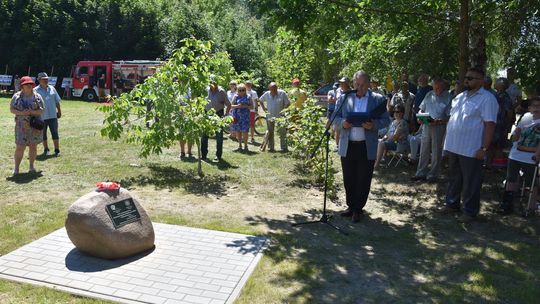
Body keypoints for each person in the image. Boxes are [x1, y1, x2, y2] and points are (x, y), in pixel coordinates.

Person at [439, 67, 498, 223]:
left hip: (471, 148)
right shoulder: (459, 97)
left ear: (481, 81)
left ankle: (470, 211)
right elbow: (452, 121)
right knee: (454, 178)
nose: (466, 80)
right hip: (454, 146)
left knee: (471, 182)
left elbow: (490, 125)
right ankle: (451, 204)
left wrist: (484, 148)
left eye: (471, 78)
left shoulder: (487, 99)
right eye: (466, 77)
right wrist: (446, 142)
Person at [334, 71, 390, 222]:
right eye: (356, 84)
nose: (359, 88)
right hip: (348, 145)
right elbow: (334, 118)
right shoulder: (345, 97)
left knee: (363, 179)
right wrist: (343, 123)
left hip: (366, 146)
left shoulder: (378, 99)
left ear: (368, 83)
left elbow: (386, 121)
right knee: (348, 177)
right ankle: (350, 206)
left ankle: (358, 209)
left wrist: (373, 125)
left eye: (362, 85)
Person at [498, 97, 540, 215]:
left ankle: (530, 207)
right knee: (511, 179)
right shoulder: (526, 116)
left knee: (531, 183)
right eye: (534, 106)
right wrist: (515, 135)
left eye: (539, 106)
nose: (537, 108)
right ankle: (507, 204)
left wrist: (537, 154)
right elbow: (517, 131)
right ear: (530, 108)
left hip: (531, 157)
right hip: (516, 154)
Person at [411, 78, 452, 182]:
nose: (436, 90)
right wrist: (419, 116)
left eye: (438, 88)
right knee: (424, 148)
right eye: (434, 88)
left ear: (443, 87)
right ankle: (421, 173)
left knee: (436, 151)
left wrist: (439, 121)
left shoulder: (448, 97)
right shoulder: (429, 94)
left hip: (439, 127)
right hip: (426, 124)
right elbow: (422, 108)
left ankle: (433, 175)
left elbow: (450, 116)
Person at [10, 76, 44, 175]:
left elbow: (42, 110)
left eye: (31, 84)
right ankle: (16, 169)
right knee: (20, 147)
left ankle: (31, 167)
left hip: (34, 126)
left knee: (33, 146)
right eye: (26, 84)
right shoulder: (16, 97)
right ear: (22, 86)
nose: (29, 86)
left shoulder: (37, 97)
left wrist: (32, 112)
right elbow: (12, 109)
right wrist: (22, 113)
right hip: (21, 127)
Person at [201, 79, 231, 161]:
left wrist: (226, 115)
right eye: (210, 84)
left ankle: (218, 156)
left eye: (214, 84)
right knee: (204, 135)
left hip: (218, 114)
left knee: (219, 136)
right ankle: (203, 155)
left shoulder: (222, 92)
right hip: (207, 114)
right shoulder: (206, 90)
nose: (212, 85)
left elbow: (228, 104)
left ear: (217, 84)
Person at [34, 72, 62, 157]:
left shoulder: (52, 88)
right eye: (44, 79)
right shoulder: (35, 91)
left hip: (53, 115)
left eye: (47, 79)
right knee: (43, 134)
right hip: (42, 117)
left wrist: (59, 111)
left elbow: (57, 101)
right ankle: (46, 149)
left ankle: (57, 150)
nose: (46, 80)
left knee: (55, 133)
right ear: (39, 80)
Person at [374, 104, 409, 168]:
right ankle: (379, 159)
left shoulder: (403, 123)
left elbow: (395, 137)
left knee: (381, 144)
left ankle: (376, 165)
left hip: (399, 144)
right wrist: (382, 139)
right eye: (394, 111)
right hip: (392, 142)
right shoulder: (393, 122)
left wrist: (384, 141)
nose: (395, 113)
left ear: (402, 113)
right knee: (376, 141)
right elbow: (387, 134)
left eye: (397, 111)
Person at [259, 82, 290, 152]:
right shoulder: (267, 94)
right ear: (269, 89)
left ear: (277, 88)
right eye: (272, 89)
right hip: (270, 115)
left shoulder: (282, 93)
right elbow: (260, 100)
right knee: (270, 132)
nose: (273, 91)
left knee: (282, 131)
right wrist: (264, 108)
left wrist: (284, 110)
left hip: (281, 116)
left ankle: (284, 147)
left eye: (275, 89)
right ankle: (271, 147)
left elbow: (288, 103)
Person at [230, 83, 252, 151]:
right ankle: (239, 145)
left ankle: (245, 146)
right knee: (238, 131)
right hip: (237, 117)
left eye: (243, 90)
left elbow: (252, 107)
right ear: (237, 91)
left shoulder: (248, 96)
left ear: (245, 90)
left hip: (245, 117)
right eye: (240, 90)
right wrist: (238, 106)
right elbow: (231, 105)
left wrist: (246, 106)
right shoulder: (236, 96)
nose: (241, 92)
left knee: (245, 131)